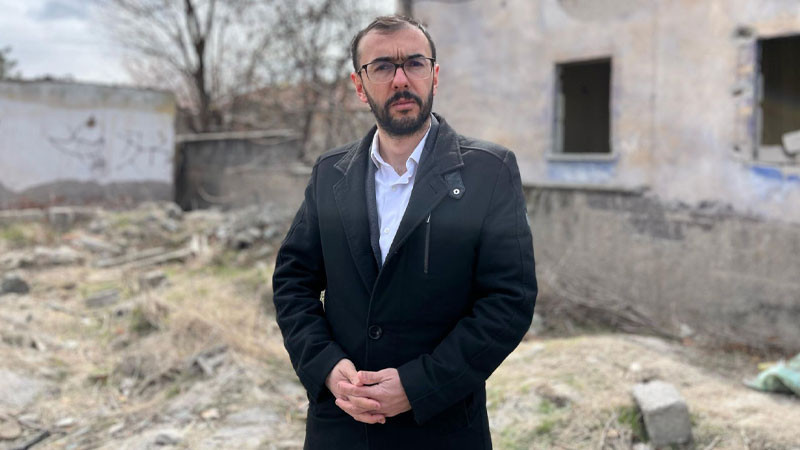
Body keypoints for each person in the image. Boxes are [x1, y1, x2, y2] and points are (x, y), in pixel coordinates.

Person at [272, 15, 537, 450]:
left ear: (434, 75)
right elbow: (293, 281)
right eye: (381, 67)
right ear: (360, 86)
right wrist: (325, 365)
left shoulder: (489, 172)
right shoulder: (329, 174)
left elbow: (510, 300)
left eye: (414, 63)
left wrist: (419, 385)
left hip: (442, 429)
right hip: (341, 426)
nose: (400, 79)